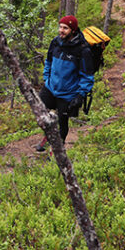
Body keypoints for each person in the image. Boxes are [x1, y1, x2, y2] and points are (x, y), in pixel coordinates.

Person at [36, 15, 94, 152]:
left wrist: (80, 95)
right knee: (39, 110)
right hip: (51, 87)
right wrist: (46, 78)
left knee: (63, 122)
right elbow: (49, 61)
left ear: (73, 30)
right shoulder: (55, 42)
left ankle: (57, 150)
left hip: (68, 93)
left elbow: (87, 76)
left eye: (65, 28)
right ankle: (49, 134)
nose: (61, 30)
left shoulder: (82, 50)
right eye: (60, 27)